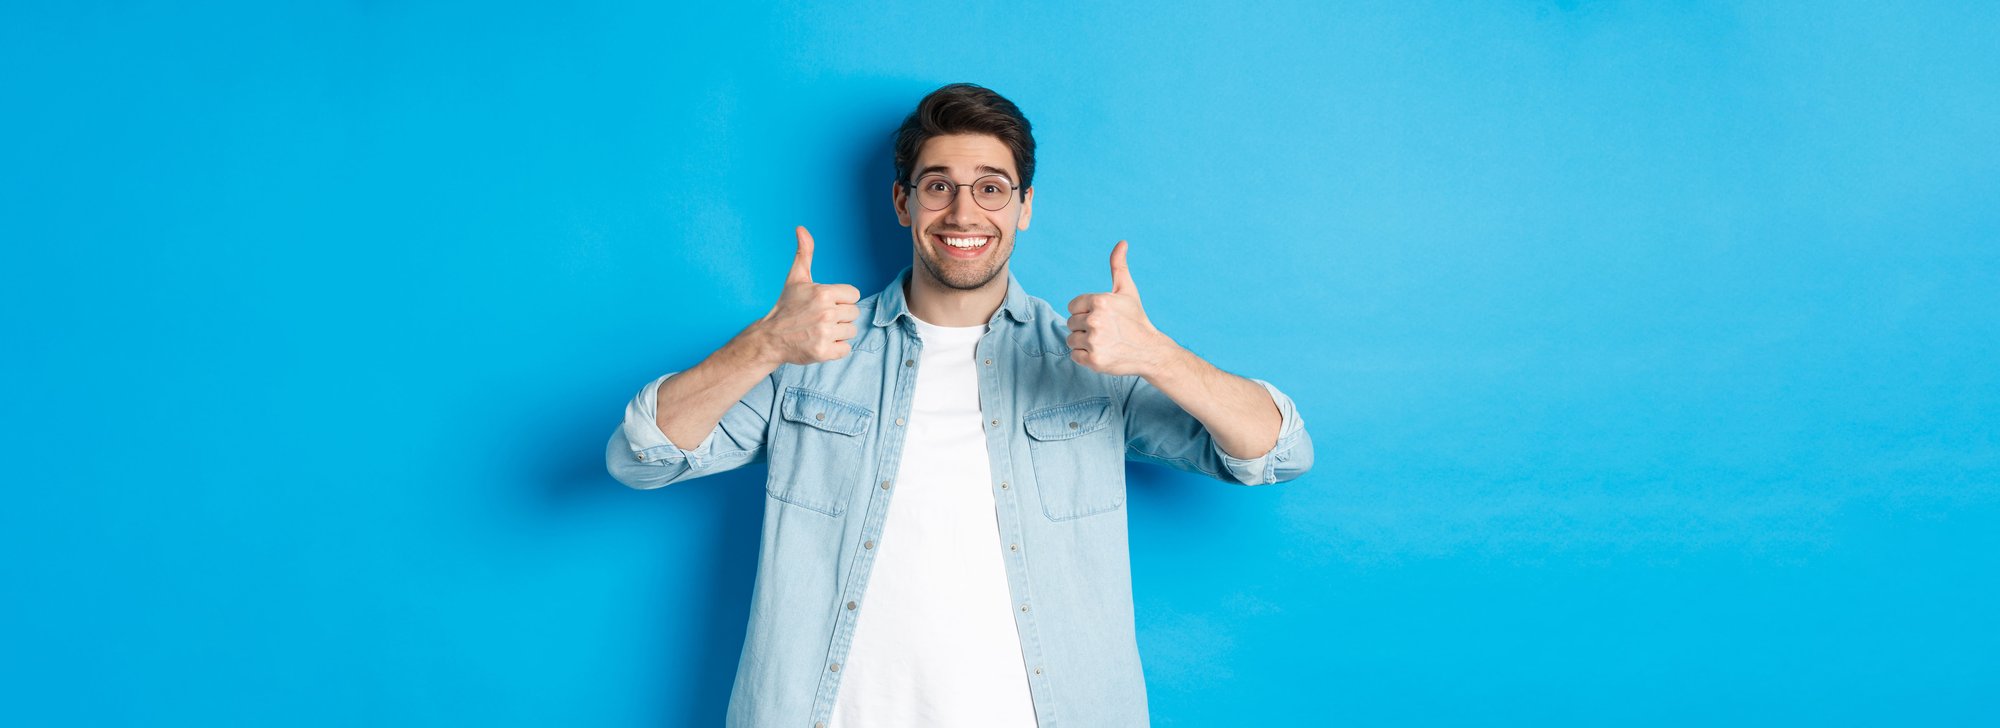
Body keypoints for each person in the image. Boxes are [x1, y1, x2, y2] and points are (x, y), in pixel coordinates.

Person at [606, 82, 1312, 728]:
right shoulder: (813, 351)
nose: (964, 212)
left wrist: (1157, 355)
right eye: (939, 185)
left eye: (992, 188)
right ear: (903, 202)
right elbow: (641, 457)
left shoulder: (1092, 357)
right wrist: (763, 343)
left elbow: (1277, 452)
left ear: (1025, 207)